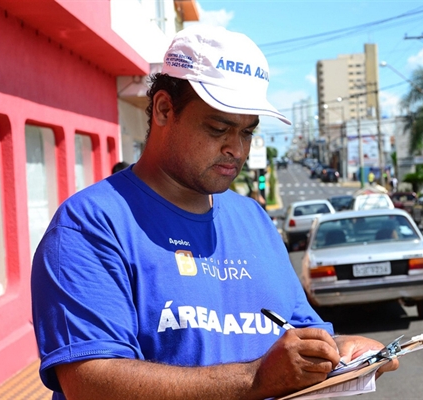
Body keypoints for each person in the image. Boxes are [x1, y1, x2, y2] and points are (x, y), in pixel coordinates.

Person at [31, 25, 398, 400]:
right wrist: (255, 379)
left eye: (247, 132)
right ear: (163, 109)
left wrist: (342, 351)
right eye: (219, 128)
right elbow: (90, 382)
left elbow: (299, 333)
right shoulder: (90, 225)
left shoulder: (253, 219)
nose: (236, 149)